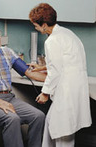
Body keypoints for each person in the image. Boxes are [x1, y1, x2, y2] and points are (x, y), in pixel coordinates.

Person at [29, 3, 92, 147]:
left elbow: (55, 71)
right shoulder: (66, 33)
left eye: (36, 26)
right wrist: (41, 67)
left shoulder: (52, 41)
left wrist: (45, 93)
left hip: (67, 90)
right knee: (53, 123)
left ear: (44, 25)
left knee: (63, 130)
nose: (36, 28)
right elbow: (65, 61)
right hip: (75, 87)